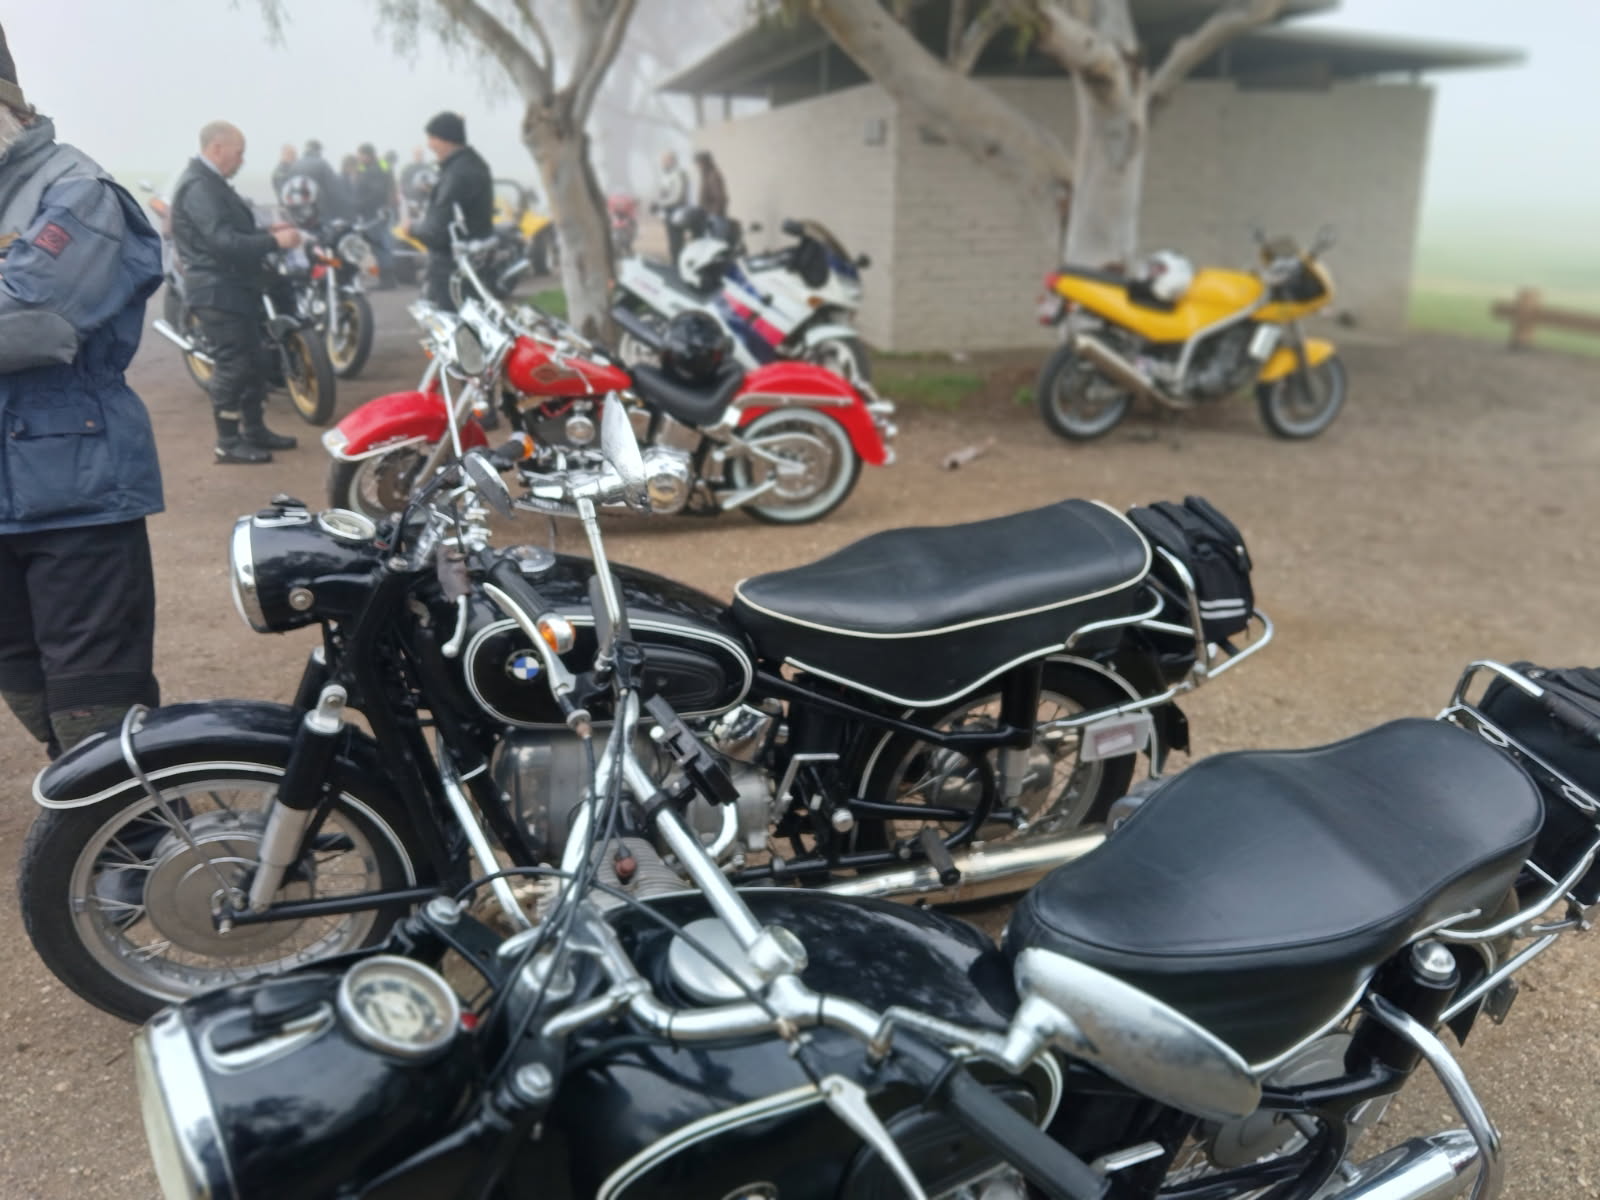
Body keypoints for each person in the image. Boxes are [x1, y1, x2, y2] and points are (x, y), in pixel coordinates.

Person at [0, 24, 166, 757]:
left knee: (95, 710)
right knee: (24, 684)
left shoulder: (77, 190)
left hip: (77, 491)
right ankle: (102, 816)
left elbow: (32, 320)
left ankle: (138, 829)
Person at [170, 120, 302, 464]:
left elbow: (231, 230)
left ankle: (254, 429)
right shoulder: (199, 186)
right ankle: (227, 442)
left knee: (256, 361)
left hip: (234, 287)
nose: (242, 161)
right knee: (234, 364)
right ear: (217, 148)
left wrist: (266, 230)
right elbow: (223, 242)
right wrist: (274, 241)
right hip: (217, 290)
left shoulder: (211, 183)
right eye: (239, 152)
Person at [409, 111, 492, 311]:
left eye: (432, 138)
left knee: (455, 324)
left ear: (447, 139)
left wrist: (411, 228)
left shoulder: (456, 174)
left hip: (451, 269)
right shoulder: (476, 164)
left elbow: (437, 232)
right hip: (475, 264)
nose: (429, 145)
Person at [296, 138, 349, 221]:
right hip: (320, 211)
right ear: (318, 150)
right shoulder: (322, 164)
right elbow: (334, 189)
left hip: (300, 212)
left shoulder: (295, 165)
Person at [654, 150, 689, 263]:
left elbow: (677, 196)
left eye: (665, 160)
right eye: (662, 160)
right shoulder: (667, 175)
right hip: (668, 211)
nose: (663, 163)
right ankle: (675, 262)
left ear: (672, 160)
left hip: (676, 211)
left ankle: (678, 264)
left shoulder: (678, 174)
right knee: (672, 241)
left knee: (677, 241)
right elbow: (663, 192)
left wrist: (660, 203)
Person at [694, 150, 728, 219]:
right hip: (707, 214)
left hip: (714, 216)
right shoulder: (705, 175)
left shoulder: (713, 176)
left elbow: (720, 198)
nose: (698, 166)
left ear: (705, 162)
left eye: (699, 163)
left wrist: (714, 213)